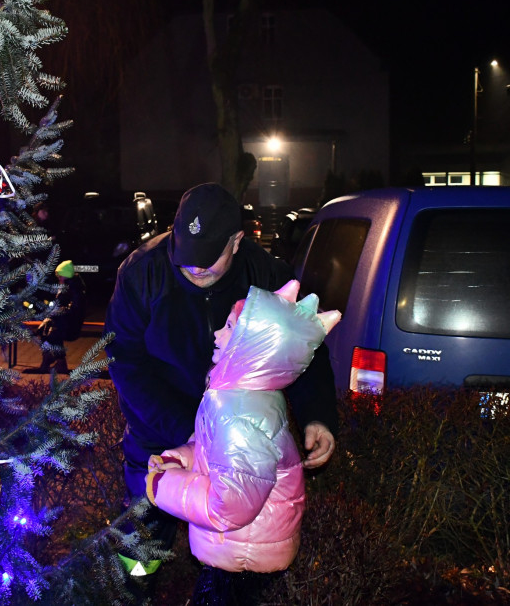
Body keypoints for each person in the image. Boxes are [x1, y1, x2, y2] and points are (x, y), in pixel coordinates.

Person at [104, 182, 339, 587]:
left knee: (230, 543)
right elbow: (124, 359)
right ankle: (134, 591)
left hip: (237, 442)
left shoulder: (266, 274)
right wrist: (186, 430)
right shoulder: (142, 271)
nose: (196, 268)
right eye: (187, 256)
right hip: (159, 433)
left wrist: (317, 415)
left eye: (208, 257)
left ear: (236, 241)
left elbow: (300, 349)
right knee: (142, 533)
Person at [145, 281, 341, 605]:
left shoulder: (241, 415)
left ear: (252, 346)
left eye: (229, 327)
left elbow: (229, 507)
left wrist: (163, 485)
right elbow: (218, 452)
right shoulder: (241, 395)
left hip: (242, 558)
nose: (216, 334)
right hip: (238, 547)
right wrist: (184, 457)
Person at [23, 259, 86, 375]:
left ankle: (57, 362)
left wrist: (56, 313)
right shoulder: (65, 287)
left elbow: (75, 309)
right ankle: (49, 360)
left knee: (53, 334)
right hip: (62, 322)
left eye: (60, 275)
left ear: (66, 275)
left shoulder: (75, 288)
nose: (58, 278)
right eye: (57, 275)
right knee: (44, 331)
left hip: (71, 324)